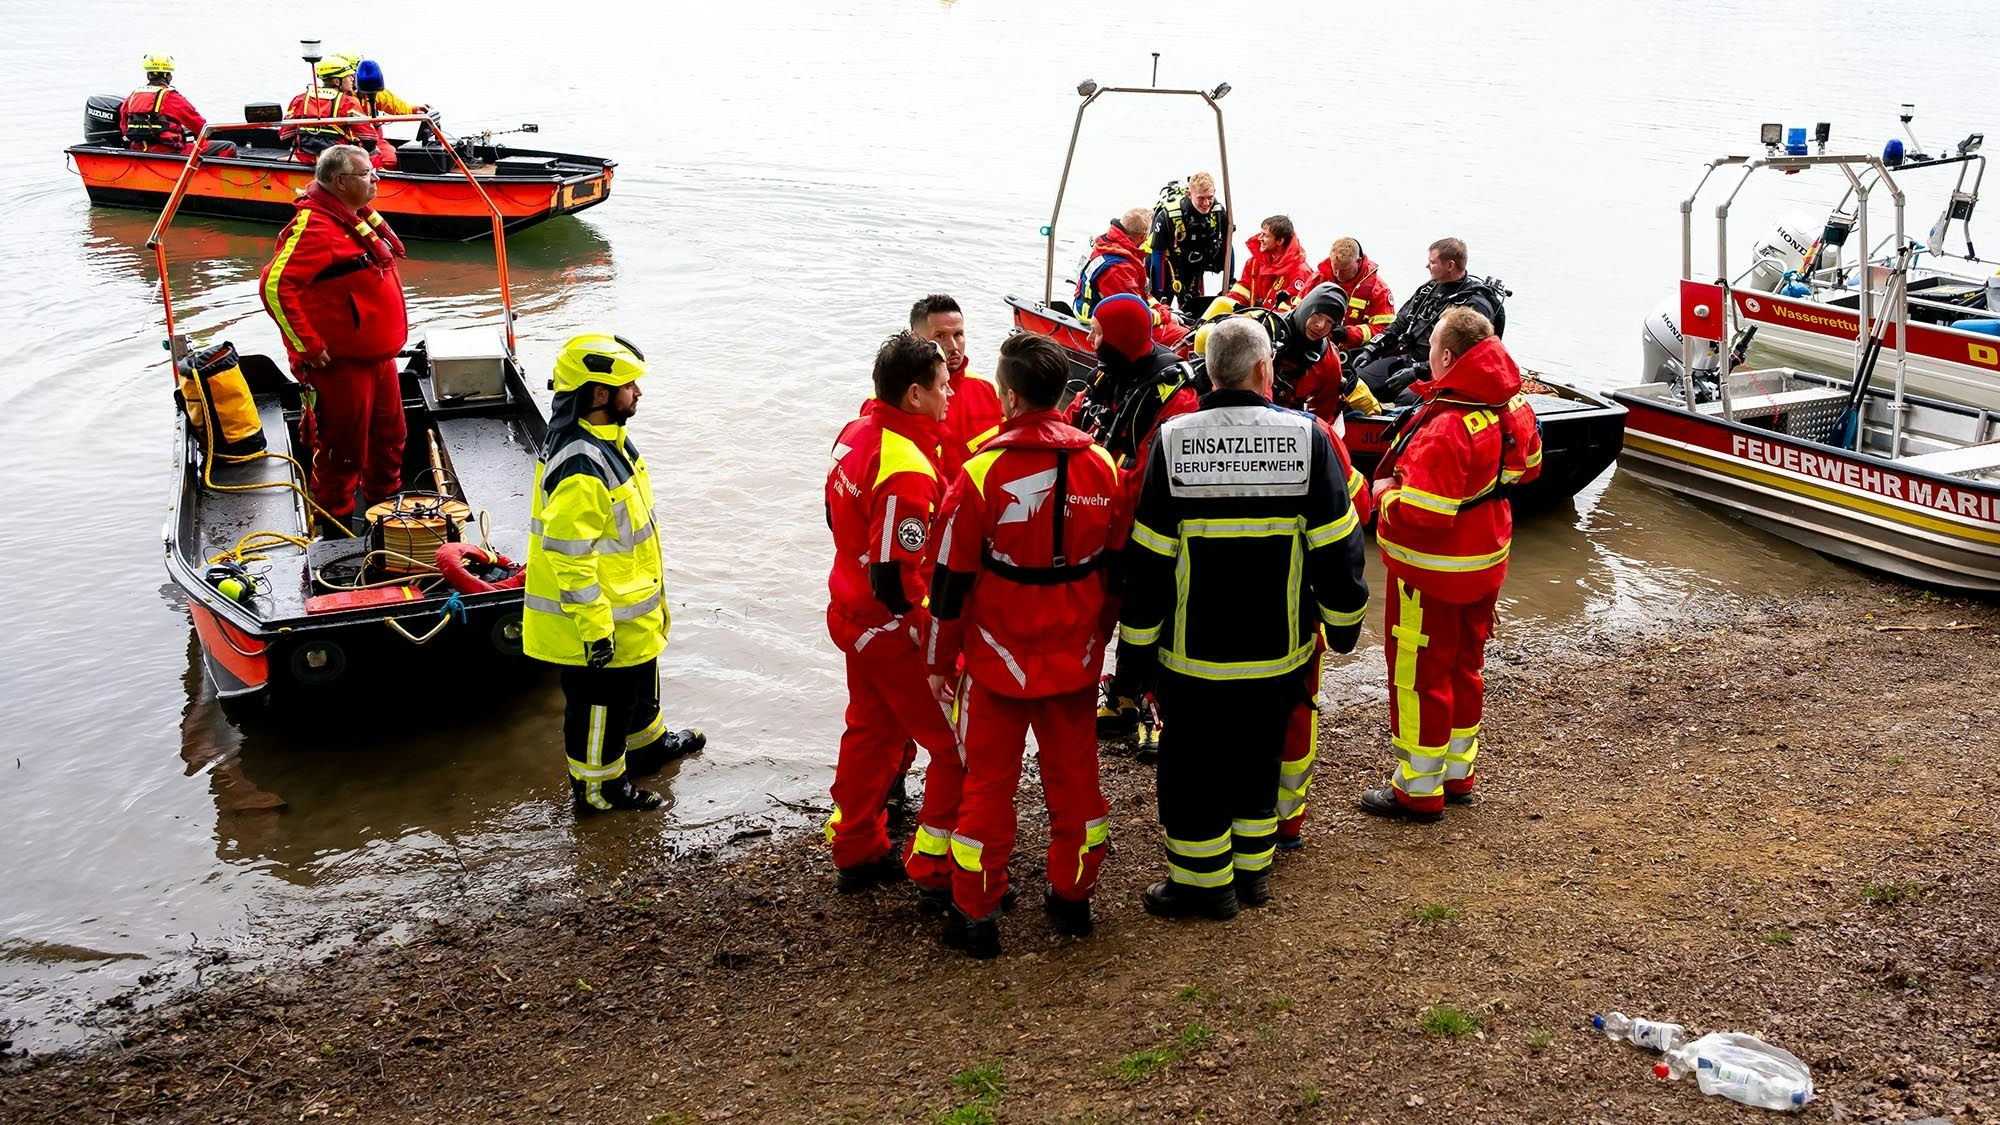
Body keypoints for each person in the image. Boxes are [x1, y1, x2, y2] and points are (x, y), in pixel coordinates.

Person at [1119, 318, 1369, 919]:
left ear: (1210, 373)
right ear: (1264, 370)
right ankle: (1253, 871)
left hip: (1193, 654)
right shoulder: (1308, 440)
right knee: (1260, 757)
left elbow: (1149, 561)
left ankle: (1202, 885)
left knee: (1193, 767)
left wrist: (1134, 659)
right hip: (1278, 648)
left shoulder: (1174, 441)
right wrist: (1343, 626)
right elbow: (1339, 546)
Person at [920, 334, 1127, 958]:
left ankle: (976, 914)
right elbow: (1118, 572)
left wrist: (937, 662)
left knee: (987, 787)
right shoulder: (1103, 466)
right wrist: (1100, 635)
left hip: (996, 660)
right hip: (1076, 659)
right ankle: (1073, 899)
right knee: (1077, 783)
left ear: (1007, 397)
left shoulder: (979, 473)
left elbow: (949, 584)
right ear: (1061, 392)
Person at [1362, 307, 1541, 822]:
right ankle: (1459, 774)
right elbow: (1530, 468)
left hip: (1432, 574)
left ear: (1445, 356)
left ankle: (1418, 790)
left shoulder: (1446, 426)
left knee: (1420, 679)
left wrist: (1384, 496)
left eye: (1430, 349)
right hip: (1486, 562)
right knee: (1466, 666)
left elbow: (1424, 515)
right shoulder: (1514, 404)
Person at [522, 334, 706, 813]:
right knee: (600, 705)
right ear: (599, 394)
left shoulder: (609, 441)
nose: (638, 392)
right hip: (598, 620)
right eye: (629, 386)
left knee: (638, 687)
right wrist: (595, 628)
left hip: (629, 608)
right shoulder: (582, 465)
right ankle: (599, 791)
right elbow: (570, 556)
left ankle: (647, 749)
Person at [824, 333, 961, 892]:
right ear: (914, 395)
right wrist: (933, 642)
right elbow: (895, 578)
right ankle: (936, 866)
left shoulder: (855, 432)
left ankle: (856, 847)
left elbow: (835, 516)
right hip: (889, 628)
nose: (950, 395)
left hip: (851, 612)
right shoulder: (906, 469)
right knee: (954, 748)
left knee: (870, 732)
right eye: (943, 387)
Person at [1064, 293, 1200, 744]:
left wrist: (1088, 488)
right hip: (1108, 518)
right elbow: (1074, 416)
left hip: (1149, 527)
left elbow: (1152, 477)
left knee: (1149, 619)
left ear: (1118, 338)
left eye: (1096, 332)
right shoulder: (1110, 373)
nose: (1089, 339)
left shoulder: (1176, 397)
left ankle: (1153, 706)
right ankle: (1121, 692)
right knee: (1107, 616)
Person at [257, 145, 408, 535]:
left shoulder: (354, 219)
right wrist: (307, 344)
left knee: (390, 439)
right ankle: (335, 536)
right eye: (366, 173)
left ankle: (387, 523)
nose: (376, 178)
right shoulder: (315, 228)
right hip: (341, 367)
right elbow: (275, 287)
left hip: (378, 359)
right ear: (341, 182)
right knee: (343, 453)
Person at [1353, 237, 1508, 400]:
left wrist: (1417, 371)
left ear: (1450, 266)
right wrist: (1372, 348)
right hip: (1406, 362)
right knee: (1356, 381)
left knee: (1406, 401)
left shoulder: (1474, 306)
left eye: (1432, 262)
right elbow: (1399, 324)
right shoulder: (1428, 290)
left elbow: (1466, 357)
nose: (1427, 266)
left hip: (1441, 375)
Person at [911, 295, 1003, 482]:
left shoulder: (989, 391)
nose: (953, 346)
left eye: (958, 334)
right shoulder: (891, 400)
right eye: (940, 336)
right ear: (914, 338)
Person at [1146, 173, 1229, 321]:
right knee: (1163, 310)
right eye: (1201, 198)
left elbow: (1227, 246)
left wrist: (1229, 280)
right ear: (1189, 194)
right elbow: (1157, 255)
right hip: (1166, 265)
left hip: (1194, 265)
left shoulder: (1218, 212)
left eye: (1210, 197)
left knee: (1195, 312)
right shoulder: (1168, 216)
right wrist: (1158, 291)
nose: (1206, 203)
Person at [119, 54, 234, 156]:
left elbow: (124, 127)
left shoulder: (133, 96)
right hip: (169, 152)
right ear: (168, 76)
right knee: (229, 146)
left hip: (138, 150)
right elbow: (200, 126)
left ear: (148, 75)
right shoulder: (171, 97)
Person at [283, 57, 386, 168]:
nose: (352, 79)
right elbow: (370, 138)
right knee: (374, 152)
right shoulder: (348, 102)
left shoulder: (300, 99)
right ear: (337, 81)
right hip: (337, 161)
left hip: (305, 157)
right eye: (349, 76)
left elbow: (285, 135)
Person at [1206, 215, 1314, 316]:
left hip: (1273, 323)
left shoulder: (1300, 272)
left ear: (1280, 241)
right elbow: (1241, 292)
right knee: (1221, 302)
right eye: (1261, 233)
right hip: (1251, 318)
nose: (1259, 238)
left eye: (1265, 235)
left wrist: (1249, 317)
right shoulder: (1255, 263)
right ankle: (1197, 327)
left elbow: (1287, 314)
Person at [1307, 238, 1397, 352]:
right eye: (1335, 267)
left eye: (1344, 270)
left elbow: (1384, 330)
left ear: (1358, 262)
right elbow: (1298, 308)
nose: (1337, 274)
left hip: (1352, 352)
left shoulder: (1379, 291)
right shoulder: (1319, 277)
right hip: (1314, 344)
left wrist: (1349, 334)